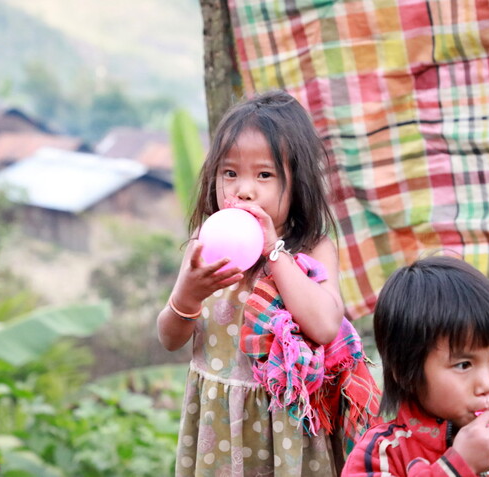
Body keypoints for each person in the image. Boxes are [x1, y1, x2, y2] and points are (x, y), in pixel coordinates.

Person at [157, 90, 379, 477]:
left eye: (264, 175)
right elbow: (171, 338)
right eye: (230, 173)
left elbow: (326, 325)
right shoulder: (205, 244)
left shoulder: (312, 248)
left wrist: (275, 252)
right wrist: (188, 294)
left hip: (287, 431)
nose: (244, 190)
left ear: (297, 183)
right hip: (218, 426)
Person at [342, 255, 489, 477]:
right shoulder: (382, 455)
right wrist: (458, 467)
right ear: (405, 373)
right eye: (464, 365)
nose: (487, 384)